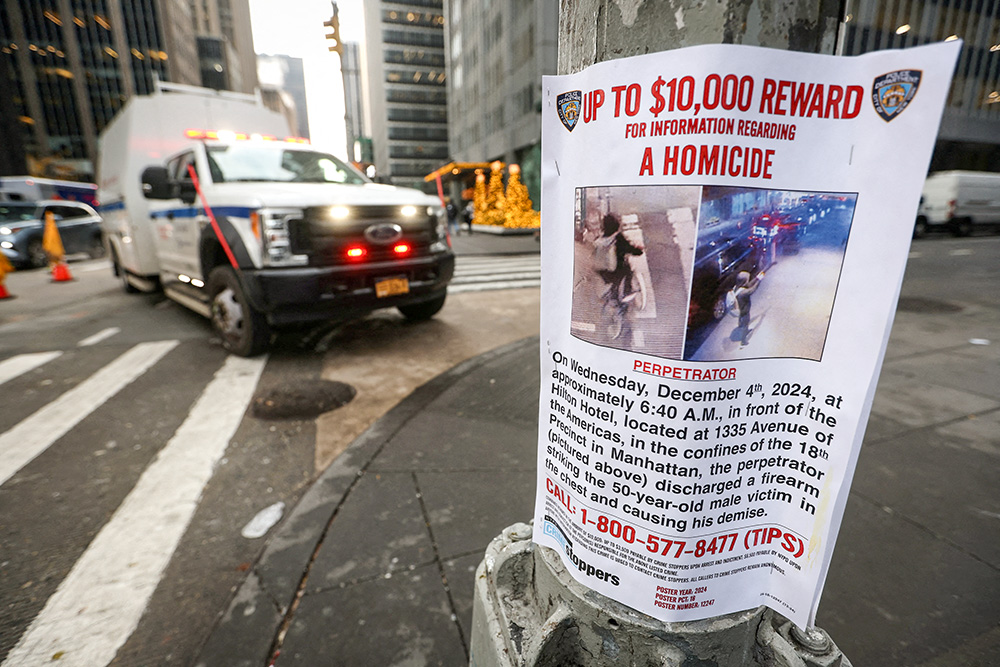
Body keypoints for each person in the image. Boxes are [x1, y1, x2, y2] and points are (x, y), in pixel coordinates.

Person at [596, 213, 643, 303]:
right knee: (627, 269)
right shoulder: (618, 238)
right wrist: (639, 251)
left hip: (602, 272)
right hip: (614, 272)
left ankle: (613, 294)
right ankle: (626, 292)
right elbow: (631, 249)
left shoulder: (601, 239)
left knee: (616, 272)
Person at [733, 270, 764, 347]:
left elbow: (748, 284)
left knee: (741, 317)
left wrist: (756, 278)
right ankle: (743, 341)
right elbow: (753, 289)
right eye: (748, 279)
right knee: (745, 324)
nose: (748, 280)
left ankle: (740, 324)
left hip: (740, 309)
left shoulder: (737, 287)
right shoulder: (744, 293)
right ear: (744, 281)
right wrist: (759, 280)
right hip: (745, 310)